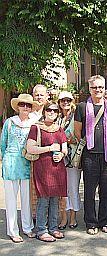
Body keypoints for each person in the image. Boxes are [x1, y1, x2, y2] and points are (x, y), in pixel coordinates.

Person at [74, 75, 107, 235]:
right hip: (89, 156)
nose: (98, 90)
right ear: (90, 89)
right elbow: (77, 132)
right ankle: (91, 222)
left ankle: (105, 221)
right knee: (89, 190)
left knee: (106, 190)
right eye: (95, 87)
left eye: (101, 87)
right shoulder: (81, 107)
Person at [26, 102, 68, 242]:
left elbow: (64, 148)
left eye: (55, 110)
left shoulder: (59, 129)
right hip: (43, 169)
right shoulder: (36, 128)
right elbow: (30, 148)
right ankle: (41, 230)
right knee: (43, 200)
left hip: (57, 169)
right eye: (49, 109)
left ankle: (53, 227)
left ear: (57, 113)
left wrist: (61, 155)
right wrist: (49, 149)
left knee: (55, 199)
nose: (52, 112)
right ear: (44, 111)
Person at [1, 94, 39, 243]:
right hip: (10, 163)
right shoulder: (10, 122)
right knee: (11, 200)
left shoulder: (34, 123)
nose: (25, 107)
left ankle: (28, 227)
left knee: (26, 199)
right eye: (23, 104)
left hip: (27, 164)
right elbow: (3, 144)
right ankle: (12, 230)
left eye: (28, 105)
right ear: (17, 107)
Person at [57, 91, 81, 230]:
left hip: (73, 158)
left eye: (67, 100)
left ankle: (73, 217)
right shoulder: (57, 117)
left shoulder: (76, 116)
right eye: (62, 100)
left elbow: (79, 135)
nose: (65, 103)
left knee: (73, 188)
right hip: (59, 158)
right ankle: (64, 217)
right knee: (62, 189)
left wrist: (67, 140)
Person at [30, 84, 50, 220]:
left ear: (47, 96)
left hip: (48, 157)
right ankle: (34, 216)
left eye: (41, 94)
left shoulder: (51, 112)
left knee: (49, 187)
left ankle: (50, 217)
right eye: (36, 94)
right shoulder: (28, 114)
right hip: (33, 156)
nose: (39, 97)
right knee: (33, 188)